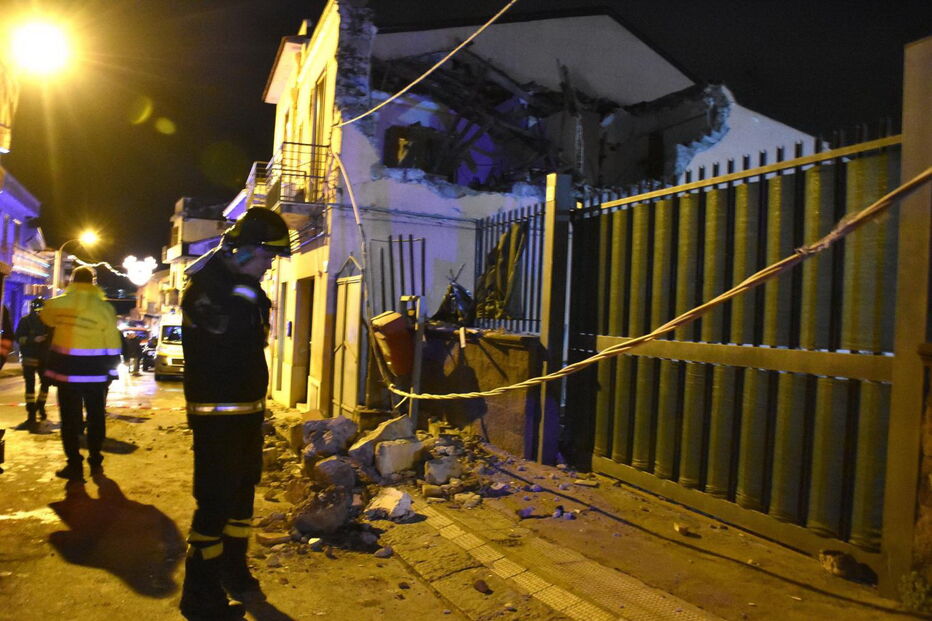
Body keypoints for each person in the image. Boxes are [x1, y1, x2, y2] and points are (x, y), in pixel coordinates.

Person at [179, 207, 290, 620]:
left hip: (245, 417)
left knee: (241, 502)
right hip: (217, 422)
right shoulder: (207, 291)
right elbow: (233, 332)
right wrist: (247, 290)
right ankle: (200, 599)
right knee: (214, 505)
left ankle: (233, 571)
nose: (269, 265)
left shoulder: (242, 287)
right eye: (266, 256)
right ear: (243, 251)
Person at [41, 266, 121, 482]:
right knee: (96, 416)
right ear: (93, 282)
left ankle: (74, 464)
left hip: (67, 372)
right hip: (96, 373)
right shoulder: (105, 308)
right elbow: (113, 342)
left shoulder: (58, 304)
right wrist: (112, 371)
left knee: (69, 419)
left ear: (72, 281)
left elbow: (47, 318)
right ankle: (95, 459)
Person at [14, 298, 51, 432]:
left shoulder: (49, 322)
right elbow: (18, 338)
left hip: (44, 359)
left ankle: (40, 406)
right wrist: (33, 339)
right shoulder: (25, 321)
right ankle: (31, 414)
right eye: (38, 311)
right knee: (30, 386)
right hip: (30, 358)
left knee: (46, 383)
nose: (39, 313)